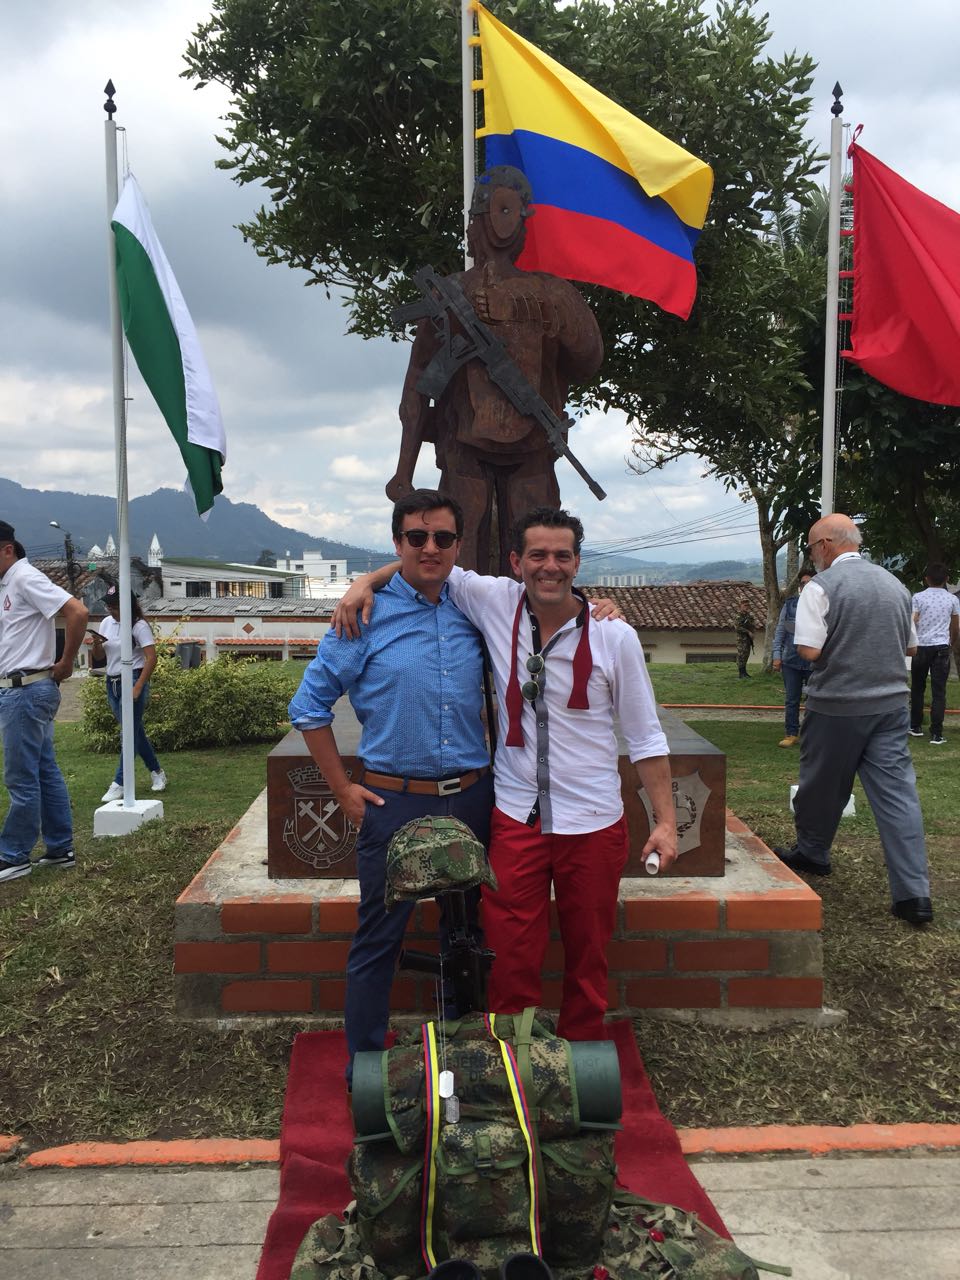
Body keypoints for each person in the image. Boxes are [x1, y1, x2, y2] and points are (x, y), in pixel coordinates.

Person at [337, 506, 678, 1041]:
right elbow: (429, 559)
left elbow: (645, 737)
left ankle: (578, 1060)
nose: (550, 566)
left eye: (562, 556)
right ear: (517, 562)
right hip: (516, 816)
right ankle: (513, 1059)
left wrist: (665, 821)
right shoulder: (494, 602)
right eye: (538, 555)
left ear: (578, 563)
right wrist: (365, 581)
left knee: (589, 953)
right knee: (511, 952)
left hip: (591, 820)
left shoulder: (616, 638)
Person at [288, 490, 494, 1084]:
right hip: (394, 800)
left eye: (443, 538)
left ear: (458, 544)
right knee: (380, 936)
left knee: (469, 930)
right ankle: (368, 1067)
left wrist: (600, 605)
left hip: (473, 795)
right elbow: (309, 708)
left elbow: (548, 591)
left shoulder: (473, 603)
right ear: (398, 542)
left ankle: (466, 1050)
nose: (430, 548)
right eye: (416, 538)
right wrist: (342, 792)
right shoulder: (365, 615)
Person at [388, 165, 604, 574]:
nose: (501, 223)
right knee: (461, 564)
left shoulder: (553, 294)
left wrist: (546, 315)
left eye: (510, 211)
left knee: (536, 555)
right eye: (496, 211)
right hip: (463, 447)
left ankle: (530, 635)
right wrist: (404, 470)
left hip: (534, 449)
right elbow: (418, 387)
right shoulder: (452, 294)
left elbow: (589, 359)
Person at [773, 514, 933, 927]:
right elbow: (911, 650)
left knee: (820, 786)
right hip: (891, 704)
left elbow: (807, 650)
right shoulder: (896, 586)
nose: (813, 555)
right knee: (898, 797)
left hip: (837, 705)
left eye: (810, 548)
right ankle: (913, 894)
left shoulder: (821, 587)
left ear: (825, 545)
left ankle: (812, 851)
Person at [0, 520, 88, 883]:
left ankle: (13, 855)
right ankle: (59, 847)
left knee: (21, 776)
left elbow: (78, 612)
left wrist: (66, 662)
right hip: (23, 689)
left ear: (7, 549)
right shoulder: (9, 583)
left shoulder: (24, 577)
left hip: (26, 690)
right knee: (44, 770)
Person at [90, 584, 166, 800]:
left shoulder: (138, 626)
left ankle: (120, 782)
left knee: (129, 733)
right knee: (134, 731)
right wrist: (96, 644)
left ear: (128, 606)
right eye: (108, 605)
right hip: (112, 680)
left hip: (132, 677)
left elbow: (151, 658)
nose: (110, 610)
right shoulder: (106, 623)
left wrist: (138, 686)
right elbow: (99, 657)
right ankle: (157, 772)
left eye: (114, 606)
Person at [908, 562, 959, 745]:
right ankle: (937, 733)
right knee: (939, 691)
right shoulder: (952, 600)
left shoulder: (918, 597)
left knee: (918, 687)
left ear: (926, 579)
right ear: (946, 579)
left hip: (921, 646)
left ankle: (915, 726)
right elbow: (955, 625)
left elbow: (913, 620)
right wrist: (951, 641)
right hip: (941, 647)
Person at [772, 571, 814, 746]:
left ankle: (812, 735)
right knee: (792, 699)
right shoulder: (790, 605)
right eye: (803, 583)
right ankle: (791, 733)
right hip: (791, 659)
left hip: (814, 661)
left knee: (815, 700)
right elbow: (780, 631)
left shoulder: (824, 605)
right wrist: (776, 656)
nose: (806, 586)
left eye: (810, 583)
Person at [733, 599, 756, 678]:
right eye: (745, 605)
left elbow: (752, 625)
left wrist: (752, 633)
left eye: (748, 605)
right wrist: (748, 632)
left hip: (748, 639)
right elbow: (737, 627)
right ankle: (741, 673)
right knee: (741, 656)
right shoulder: (738, 616)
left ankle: (744, 672)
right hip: (741, 639)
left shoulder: (749, 616)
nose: (747, 607)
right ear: (740, 606)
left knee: (746, 655)